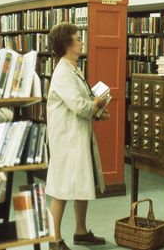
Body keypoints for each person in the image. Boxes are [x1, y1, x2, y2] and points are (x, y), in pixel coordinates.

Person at [46, 22, 110, 250]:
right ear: (67, 44)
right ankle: (54, 240)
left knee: (83, 181)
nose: (82, 41)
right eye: (77, 38)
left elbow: (82, 103)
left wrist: (97, 110)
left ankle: (80, 231)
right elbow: (78, 104)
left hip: (76, 135)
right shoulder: (63, 72)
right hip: (66, 139)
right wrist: (95, 104)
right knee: (62, 187)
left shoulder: (73, 68)